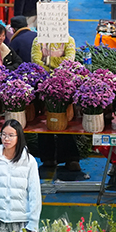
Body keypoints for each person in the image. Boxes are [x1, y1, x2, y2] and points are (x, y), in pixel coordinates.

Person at [32, 35, 80, 172]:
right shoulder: (38, 40)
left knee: (65, 120)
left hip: (64, 85)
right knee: (44, 120)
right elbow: (35, 61)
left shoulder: (69, 40)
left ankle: (71, 157)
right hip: (43, 85)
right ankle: (47, 157)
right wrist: (56, 63)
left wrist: (46, 60)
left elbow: (69, 60)